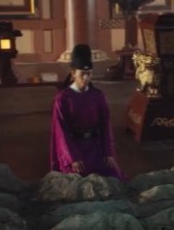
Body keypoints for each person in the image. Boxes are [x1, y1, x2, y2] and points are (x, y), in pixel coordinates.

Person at [49, 44, 125, 180]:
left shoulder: (97, 95)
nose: (86, 78)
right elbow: (61, 131)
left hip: (96, 148)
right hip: (73, 149)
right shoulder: (63, 98)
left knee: (113, 176)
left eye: (89, 73)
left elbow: (105, 125)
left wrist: (108, 152)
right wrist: (72, 157)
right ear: (73, 73)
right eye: (82, 74)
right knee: (77, 180)